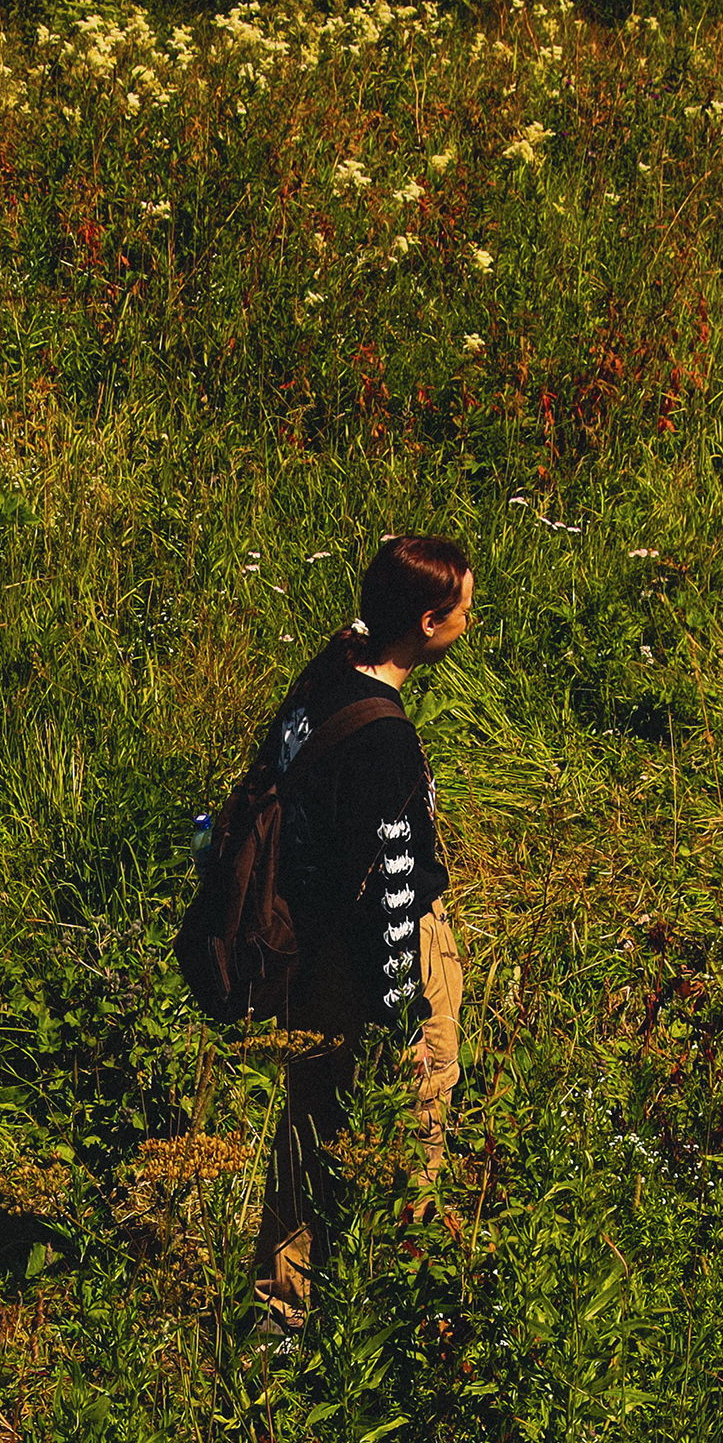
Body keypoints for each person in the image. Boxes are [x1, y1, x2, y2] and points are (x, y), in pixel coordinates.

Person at [248, 534, 475, 1335]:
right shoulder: (384, 739)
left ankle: (282, 1311)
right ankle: (396, 1315)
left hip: (310, 951)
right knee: (415, 1121)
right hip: (379, 960)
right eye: (461, 611)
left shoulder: (323, 684)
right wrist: (402, 1009)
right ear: (426, 622)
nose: (468, 621)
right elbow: (393, 883)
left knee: (309, 1132)